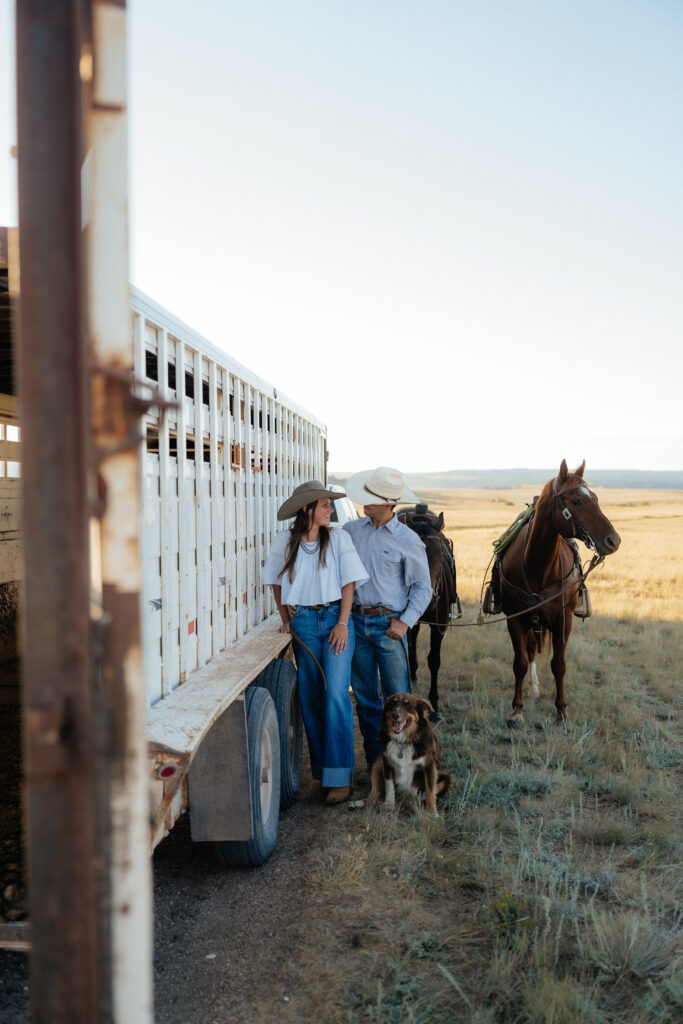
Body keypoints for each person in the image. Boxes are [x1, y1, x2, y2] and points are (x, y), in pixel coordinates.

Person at [263, 480, 368, 804]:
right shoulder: (285, 540)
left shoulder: (337, 537)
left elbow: (349, 582)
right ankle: (324, 771)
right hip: (304, 623)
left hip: (336, 619)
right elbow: (275, 582)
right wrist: (285, 618)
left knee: (336, 693)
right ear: (307, 508)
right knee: (311, 696)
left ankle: (340, 777)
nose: (330, 509)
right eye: (324, 504)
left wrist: (342, 624)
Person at [342, 467, 433, 772]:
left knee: (401, 705)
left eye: (370, 499)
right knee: (366, 700)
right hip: (356, 623)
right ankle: (376, 766)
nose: (363, 503)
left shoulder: (408, 540)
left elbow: (423, 586)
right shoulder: (351, 532)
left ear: (387, 503)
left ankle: (406, 767)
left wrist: (405, 622)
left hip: (389, 626)